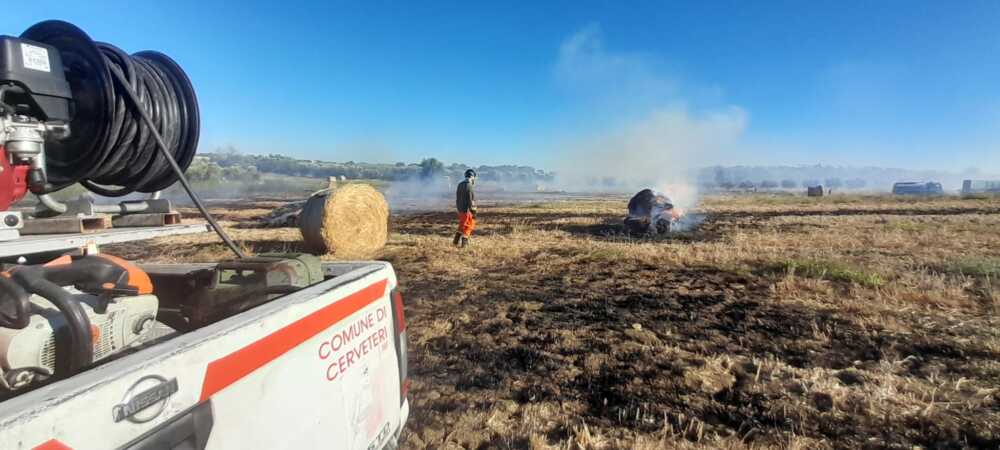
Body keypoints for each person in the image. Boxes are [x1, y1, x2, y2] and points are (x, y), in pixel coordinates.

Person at [453, 169, 477, 247]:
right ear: (472, 176)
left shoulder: (460, 184)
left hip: (460, 209)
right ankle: (464, 244)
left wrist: (459, 208)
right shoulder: (470, 186)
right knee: (469, 226)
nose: (474, 179)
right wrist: (473, 212)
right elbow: (471, 200)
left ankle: (455, 242)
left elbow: (457, 198)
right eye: (474, 177)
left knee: (461, 225)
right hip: (467, 210)